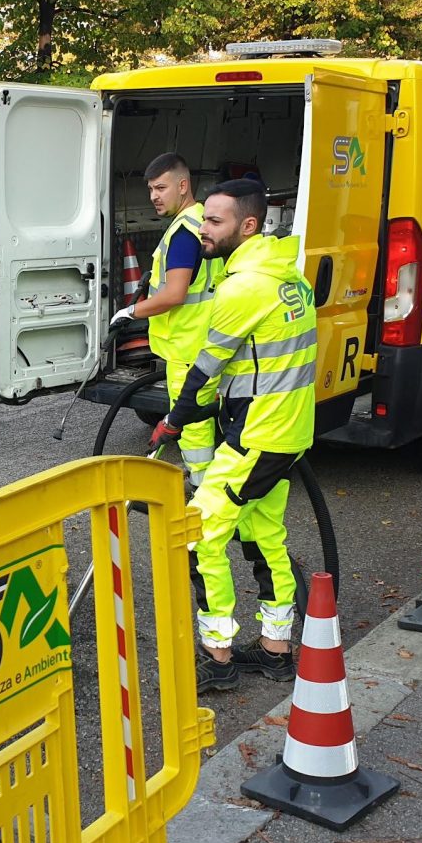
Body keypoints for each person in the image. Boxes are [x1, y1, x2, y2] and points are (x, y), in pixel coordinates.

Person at [150, 178, 318, 694]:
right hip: (290, 432)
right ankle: (275, 651)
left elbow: (205, 370)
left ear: (248, 225)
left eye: (215, 221)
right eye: (205, 218)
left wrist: (174, 421)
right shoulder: (290, 276)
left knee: (202, 533)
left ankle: (218, 656)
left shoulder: (244, 287)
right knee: (267, 536)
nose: (204, 229)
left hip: (257, 436)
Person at [110, 153, 222, 487]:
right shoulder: (203, 220)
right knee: (198, 418)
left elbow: (174, 294)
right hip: (204, 341)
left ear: (183, 185)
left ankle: (203, 493)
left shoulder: (185, 234)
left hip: (188, 349)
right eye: (150, 190)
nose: (154, 196)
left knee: (193, 424)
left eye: (161, 187)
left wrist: (130, 312)